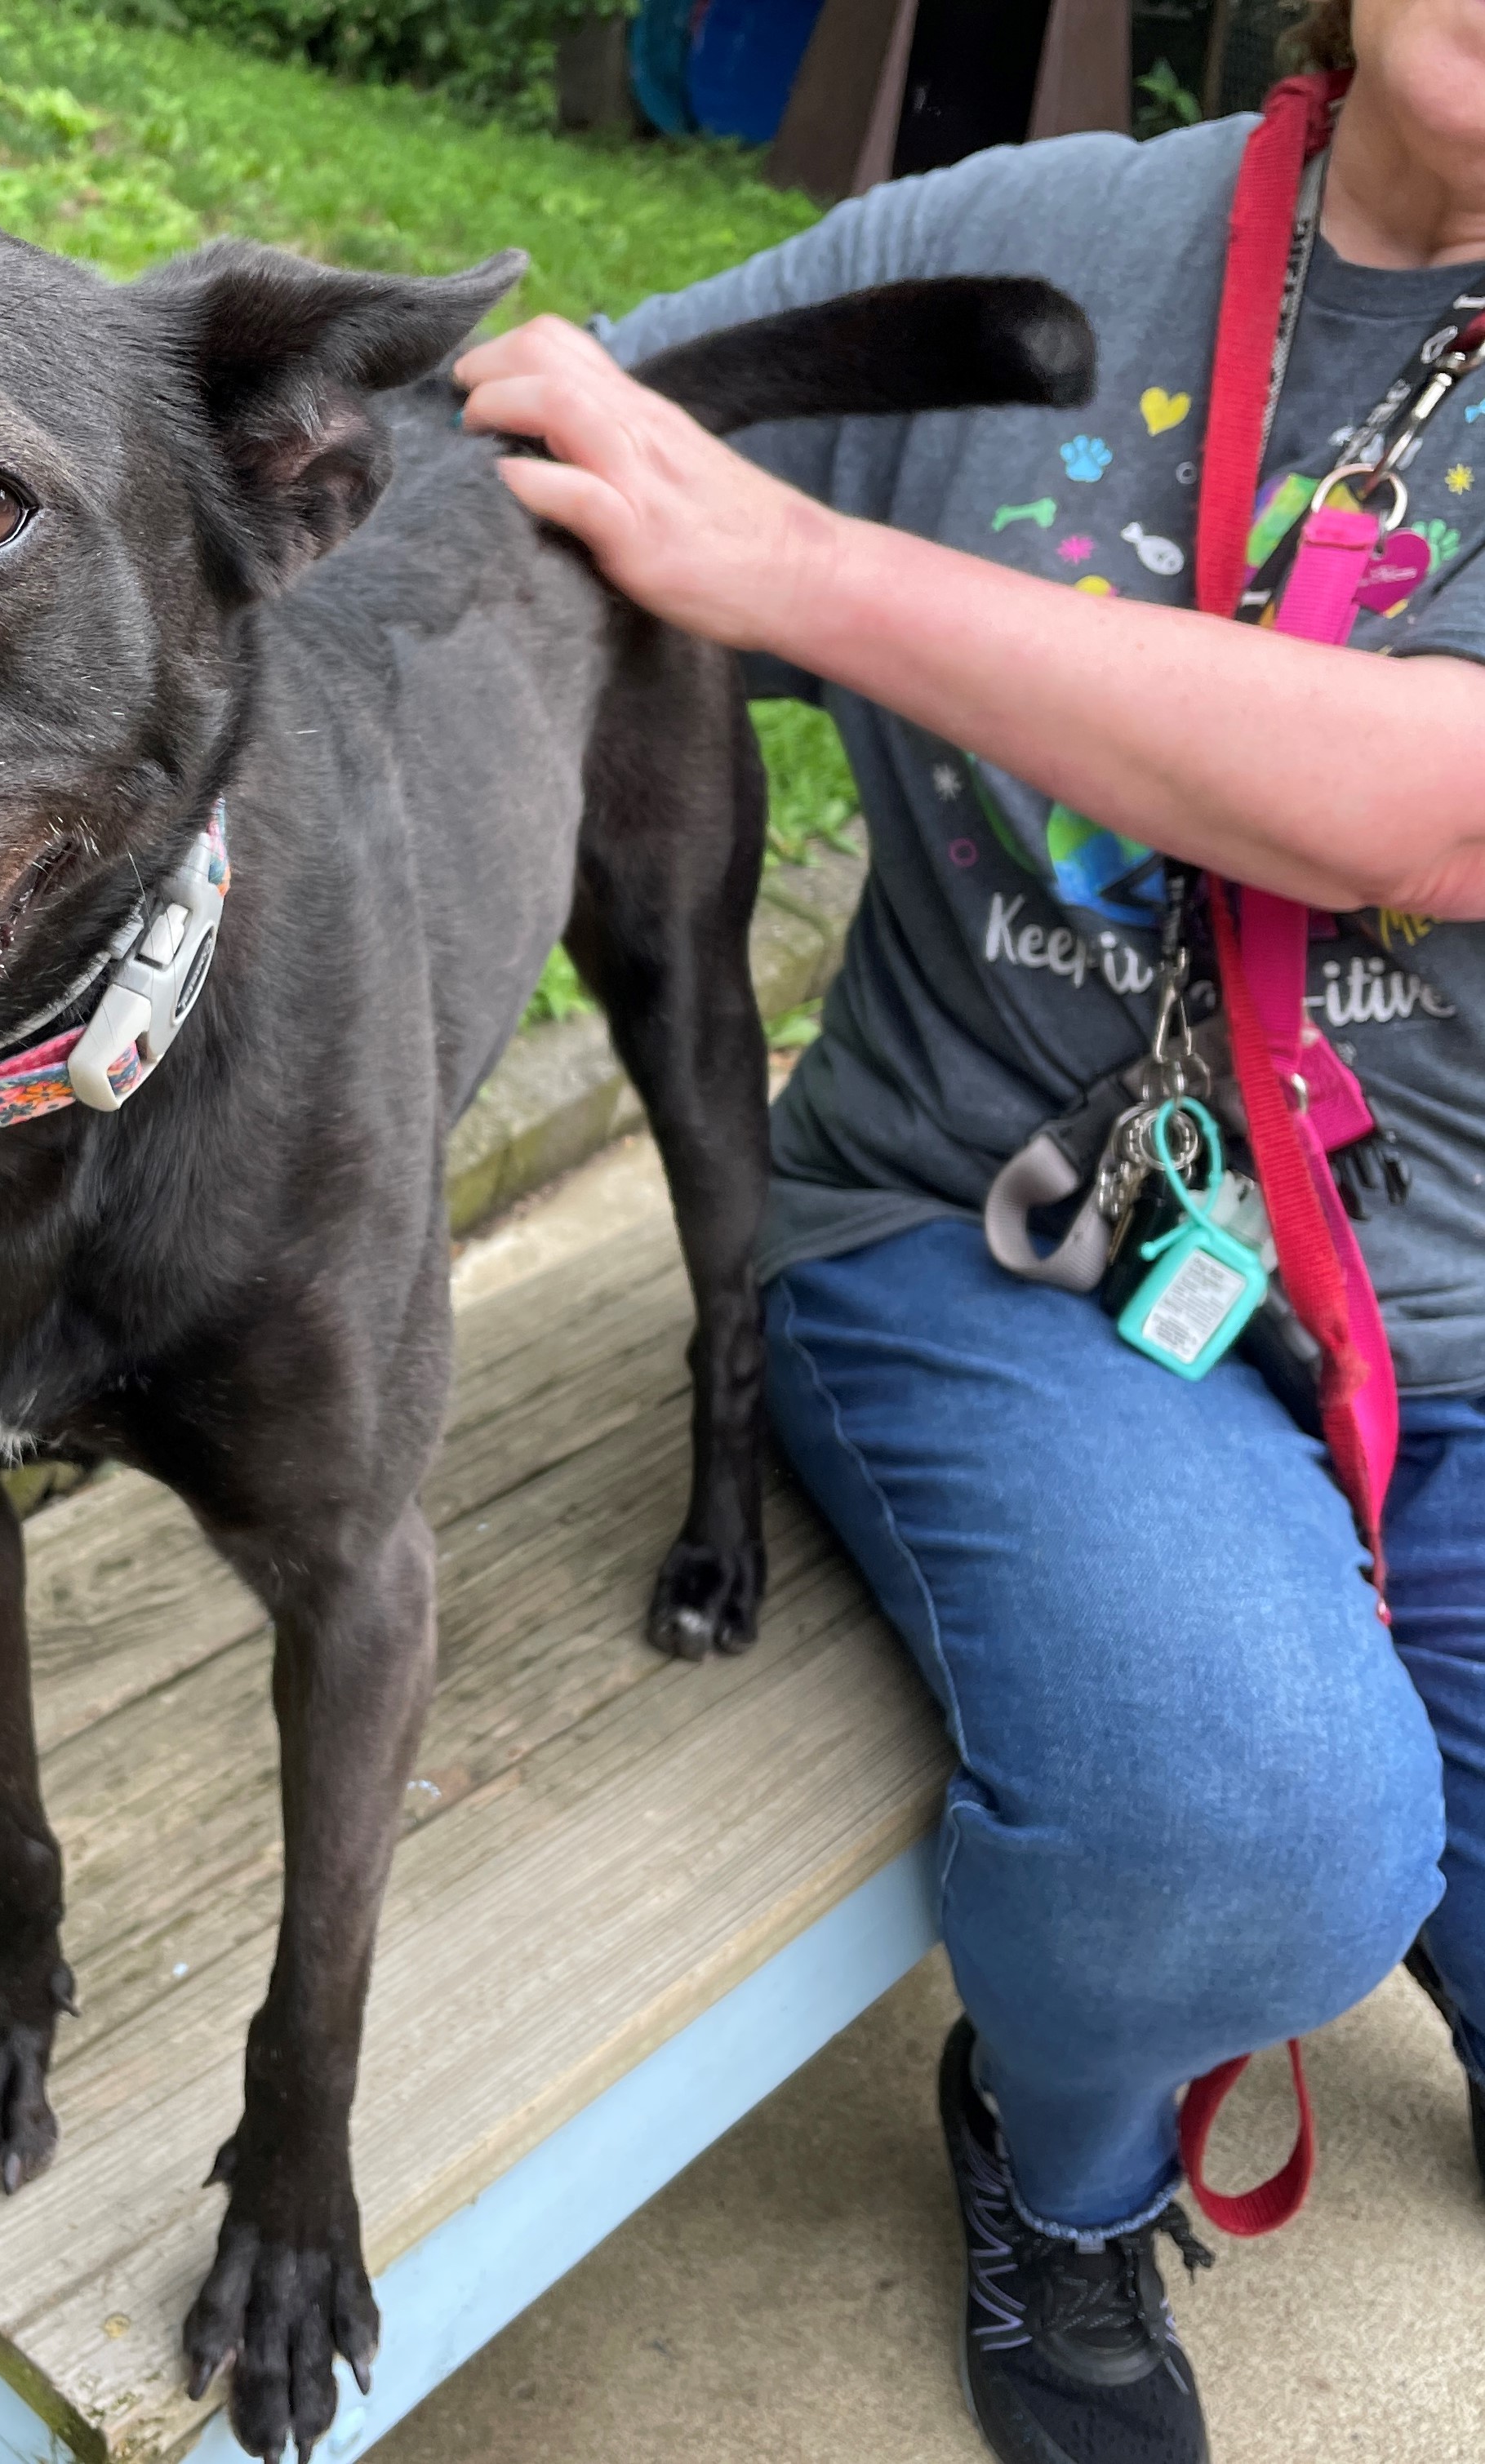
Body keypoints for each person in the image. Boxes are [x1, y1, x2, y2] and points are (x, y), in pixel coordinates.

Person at [454, 6, 1485, 2462]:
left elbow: (1427, 809)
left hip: (1443, 1308)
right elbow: (537, 423)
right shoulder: (1033, 253)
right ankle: (1063, 2151)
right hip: (979, 1232)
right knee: (1243, 1839)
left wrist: (795, 568)